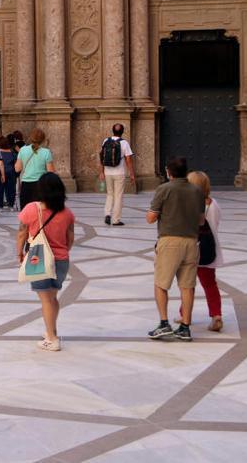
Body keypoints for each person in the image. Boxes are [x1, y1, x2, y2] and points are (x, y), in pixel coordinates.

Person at [146, 157, 205, 342]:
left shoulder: (164, 189)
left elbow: (151, 218)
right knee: (187, 286)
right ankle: (185, 327)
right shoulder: (197, 191)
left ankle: (164, 324)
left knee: (161, 284)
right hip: (191, 242)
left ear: (169, 172)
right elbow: (201, 220)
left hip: (170, 241)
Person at [16, 173, 76, 352]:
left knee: (46, 299)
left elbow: (22, 233)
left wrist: (19, 252)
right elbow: (70, 238)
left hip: (39, 258)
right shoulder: (67, 213)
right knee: (52, 297)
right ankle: (52, 330)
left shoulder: (31, 209)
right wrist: (62, 252)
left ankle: (52, 338)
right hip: (62, 260)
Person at [180, 171, 225, 332]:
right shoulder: (214, 204)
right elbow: (216, 223)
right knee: (210, 284)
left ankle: (185, 314)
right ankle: (216, 314)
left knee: (187, 284)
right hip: (209, 250)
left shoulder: (188, 206)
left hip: (192, 250)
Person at [98, 123, 136, 226]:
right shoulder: (124, 143)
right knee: (118, 196)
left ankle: (107, 214)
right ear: (122, 132)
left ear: (112, 131)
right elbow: (128, 160)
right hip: (119, 173)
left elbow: (101, 157)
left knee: (110, 194)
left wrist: (101, 171)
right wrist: (132, 174)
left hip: (107, 172)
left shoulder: (106, 141)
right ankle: (116, 220)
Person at [15, 128, 55, 210]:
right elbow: (51, 172)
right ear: (43, 139)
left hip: (26, 185)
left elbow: (17, 169)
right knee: (40, 212)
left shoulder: (22, 150)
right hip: (41, 185)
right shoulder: (46, 152)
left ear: (31, 137)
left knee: (26, 212)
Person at [0, 137, 17, 211]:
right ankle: (11, 205)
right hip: (11, 172)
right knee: (11, 189)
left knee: (1, 189)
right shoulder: (12, 152)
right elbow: (15, 162)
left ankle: (1, 206)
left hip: (0, 172)